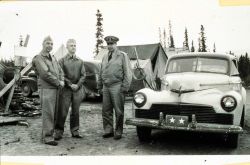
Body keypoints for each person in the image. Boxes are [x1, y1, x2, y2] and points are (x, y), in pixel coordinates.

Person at [98, 35, 132, 140]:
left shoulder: (122, 56)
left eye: (112, 44)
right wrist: (100, 85)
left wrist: (125, 87)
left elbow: (128, 72)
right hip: (106, 86)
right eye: (108, 44)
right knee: (106, 110)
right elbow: (101, 72)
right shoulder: (104, 56)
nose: (110, 46)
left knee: (118, 110)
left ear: (116, 44)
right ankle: (108, 130)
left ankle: (118, 131)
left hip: (117, 85)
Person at [32, 36, 64, 146]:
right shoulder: (39, 58)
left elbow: (60, 70)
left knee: (54, 113)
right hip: (46, 89)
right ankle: (47, 137)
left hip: (55, 88)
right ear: (43, 44)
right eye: (47, 43)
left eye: (51, 43)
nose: (50, 45)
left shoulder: (53, 57)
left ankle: (51, 134)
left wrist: (62, 80)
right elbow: (45, 74)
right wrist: (58, 82)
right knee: (48, 113)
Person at [54, 39, 86, 140]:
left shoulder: (80, 61)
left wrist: (78, 85)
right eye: (71, 45)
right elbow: (61, 75)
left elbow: (83, 75)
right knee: (62, 111)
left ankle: (75, 131)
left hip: (77, 90)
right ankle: (59, 132)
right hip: (66, 90)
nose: (73, 47)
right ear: (67, 47)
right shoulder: (62, 61)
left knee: (75, 112)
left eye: (75, 45)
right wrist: (70, 84)